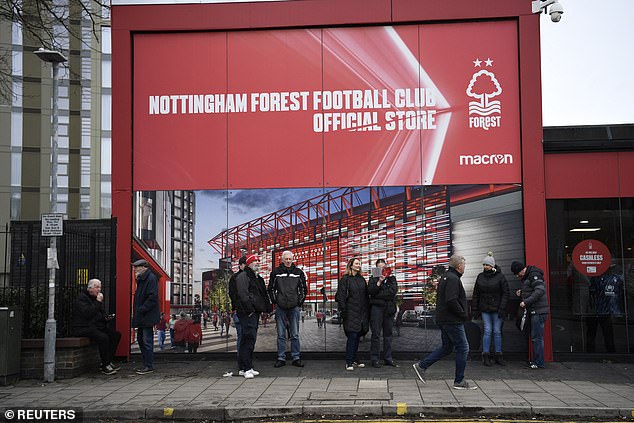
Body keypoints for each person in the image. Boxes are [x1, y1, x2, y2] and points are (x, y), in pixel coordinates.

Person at [413, 255, 477, 390]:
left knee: (447, 347)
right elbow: (451, 300)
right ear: (459, 266)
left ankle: (422, 366)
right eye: (464, 265)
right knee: (463, 348)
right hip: (452, 320)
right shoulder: (453, 279)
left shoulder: (446, 277)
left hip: (445, 319)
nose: (464, 267)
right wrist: (463, 313)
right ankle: (459, 381)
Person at [71, 278, 121, 375]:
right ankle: (105, 365)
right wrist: (98, 302)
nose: (99, 290)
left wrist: (106, 317)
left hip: (95, 326)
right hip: (83, 327)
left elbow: (99, 313)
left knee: (116, 335)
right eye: (96, 287)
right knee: (103, 338)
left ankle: (108, 361)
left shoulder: (95, 298)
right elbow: (88, 313)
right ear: (89, 288)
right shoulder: (82, 298)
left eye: (100, 287)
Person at [234, 254, 272, 379]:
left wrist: (264, 308)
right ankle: (245, 368)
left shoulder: (255, 277)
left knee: (251, 340)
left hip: (253, 313)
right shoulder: (243, 276)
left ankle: (248, 366)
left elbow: (261, 295)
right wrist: (250, 310)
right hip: (247, 313)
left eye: (258, 262)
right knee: (247, 340)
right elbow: (243, 295)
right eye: (255, 262)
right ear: (249, 263)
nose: (258, 263)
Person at [268, 250, 307, 368]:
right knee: (281, 334)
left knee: (294, 334)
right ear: (282, 259)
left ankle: (296, 358)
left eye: (290, 259)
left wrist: (299, 302)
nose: (288, 261)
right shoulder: (276, 272)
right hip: (280, 307)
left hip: (294, 307)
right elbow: (270, 288)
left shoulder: (298, 272)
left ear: (292, 259)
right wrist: (275, 301)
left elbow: (303, 289)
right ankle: (281, 358)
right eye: (286, 259)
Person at [471, 252, 509, 366]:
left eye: (487, 265)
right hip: (485, 308)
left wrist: (502, 308)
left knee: (497, 331)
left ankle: (498, 354)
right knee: (487, 331)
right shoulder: (480, 277)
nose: (485, 267)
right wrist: (475, 309)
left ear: (492, 266)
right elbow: (476, 294)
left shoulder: (500, 277)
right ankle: (486, 354)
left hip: (497, 309)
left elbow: (505, 293)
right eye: (484, 265)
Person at [511, 260, 550, 369]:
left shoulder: (534, 275)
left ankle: (539, 362)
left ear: (521, 270)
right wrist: (522, 292)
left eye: (517, 273)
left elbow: (540, 291)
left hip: (538, 311)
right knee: (535, 337)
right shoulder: (529, 275)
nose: (517, 276)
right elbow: (532, 290)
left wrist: (526, 302)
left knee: (537, 338)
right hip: (535, 311)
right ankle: (536, 361)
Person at [335, 257, 369, 371]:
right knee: (352, 336)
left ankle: (354, 359)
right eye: (356, 263)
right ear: (351, 265)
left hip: (360, 313)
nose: (358, 265)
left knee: (357, 336)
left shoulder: (361, 279)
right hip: (350, 312)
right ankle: (349, 362)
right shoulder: (345, 279)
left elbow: (365, 297)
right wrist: (344, 311)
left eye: (359, 264)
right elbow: (341, 296)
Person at [368, 258, 398, 368]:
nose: (382, 269)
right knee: (376, 334)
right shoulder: (373, 279)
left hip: (388, 309)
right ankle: (375, 359)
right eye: (379, 267)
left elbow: (392, 292)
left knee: (388, 335)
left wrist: (378, 294)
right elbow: (371, 291)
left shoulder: (392, 278)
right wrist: (379, 282)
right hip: (376, 309)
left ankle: (388, 358)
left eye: (383, 267)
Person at [132, 259, 160, 375]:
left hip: (146, 316)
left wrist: (141, 309)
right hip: (143, 315)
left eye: (136, 267)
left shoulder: (150, 279)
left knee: (146, 341)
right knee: (141, 340)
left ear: (144, 267)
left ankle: (148, 366)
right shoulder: (142, 279)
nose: (134, 270)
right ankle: (146, 365)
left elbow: (152, 297)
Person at [228, 255, 247, 355]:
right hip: (240, 311)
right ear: (240, 266)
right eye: (245, 264)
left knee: (242, 337)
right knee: (243, 337)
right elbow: (233, 295)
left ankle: (243, 359)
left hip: (239, 310)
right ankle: (243, 359)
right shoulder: (237, 278)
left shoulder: (234, 277)